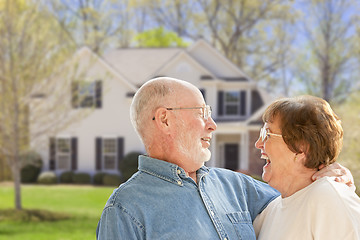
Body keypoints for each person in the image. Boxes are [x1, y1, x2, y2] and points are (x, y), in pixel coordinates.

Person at [96, 77, 354, 240]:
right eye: (202, 112)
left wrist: (329, 171)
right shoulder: (124, 211)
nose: (213, 125)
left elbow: (299, 196)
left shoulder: (237, 187)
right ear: (165, 119)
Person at [253, 95, 360, 239]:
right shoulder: (270, 211)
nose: (258, 143)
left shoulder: (328, 197)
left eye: (267, 134)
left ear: (301, 147)